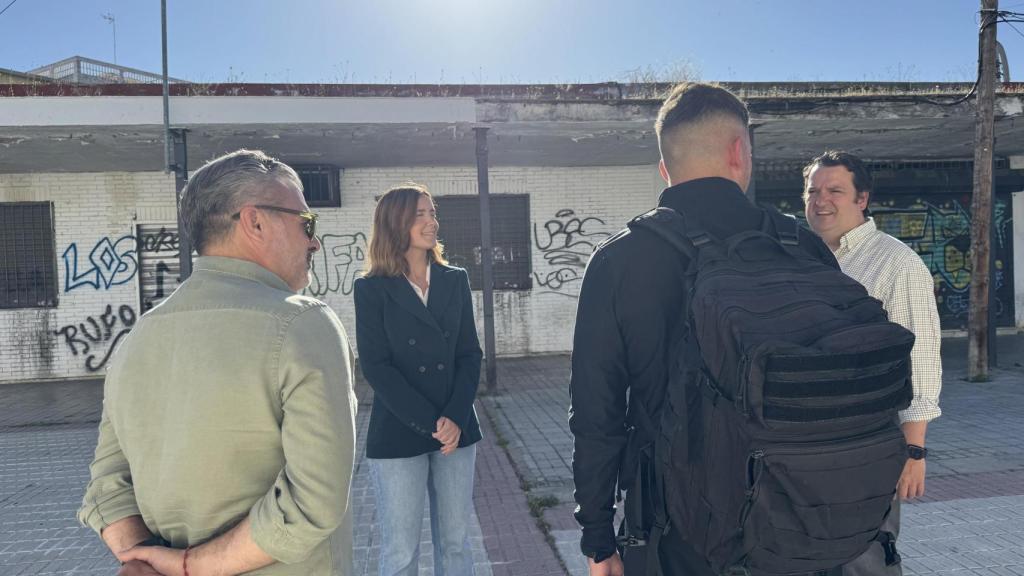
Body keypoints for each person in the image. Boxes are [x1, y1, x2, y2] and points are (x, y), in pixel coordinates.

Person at [569, 82, 840, 576]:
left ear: (664, 167)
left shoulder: (618, 262)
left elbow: (595, 415)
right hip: (801, 523)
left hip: (675, 533)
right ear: (740, 152)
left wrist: (598, 537)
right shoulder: (803, 246)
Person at [77, 149, 358, 576]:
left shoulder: (137, 337)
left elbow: (106, 487)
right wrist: (190, 565)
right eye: (306, 223)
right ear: (255, 221)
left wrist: (150, 561)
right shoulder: (304, 323)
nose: (314, 240)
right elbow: (313, 502)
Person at [803, 150, 942, 576]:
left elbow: (920, 356)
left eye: (835, 191)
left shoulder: (896, 263)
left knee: (862, 557)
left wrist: (914, 450)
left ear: (862, 199)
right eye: (812, 191)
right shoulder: (798, 257)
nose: (821, 200)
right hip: (802, 443)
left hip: (868, 443)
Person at [353, 183, 483, 576]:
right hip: (399, 430)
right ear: (396, 223)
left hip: (456, 427)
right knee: (400, 552)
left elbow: (468, 354)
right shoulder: (371, 289)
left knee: (456, 545)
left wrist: (455, 419)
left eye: (432, 213)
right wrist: (432, 424)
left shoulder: (454, 279)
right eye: (420, 215)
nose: (431, 222)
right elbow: (377, 367)